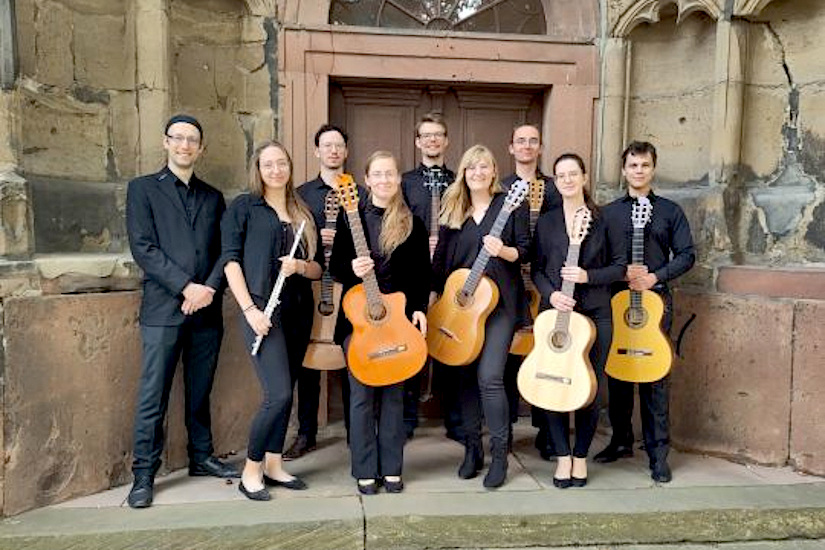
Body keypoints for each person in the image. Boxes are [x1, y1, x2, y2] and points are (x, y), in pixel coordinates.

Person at [125, 114, 236, 509]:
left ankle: (201, 457)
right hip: (162, 309)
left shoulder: (212, 196)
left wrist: (206, 288)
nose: (185, 145)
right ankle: (143, 474)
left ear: (201, 148)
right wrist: (185, 286)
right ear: (166, 142)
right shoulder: (142, 190)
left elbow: (225, 250)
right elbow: (144, 248)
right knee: (152, 395)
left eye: (192, 140)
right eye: (178, 138)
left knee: (200, 389)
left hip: (205, 309)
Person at [221, 141, 323, 500]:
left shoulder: (303, 211)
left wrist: (299, 266)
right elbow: (230, 262)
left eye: (282, 163)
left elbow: (317, 269)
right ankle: (252, 470)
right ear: (258, 169)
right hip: (262, 311)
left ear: (290, 167)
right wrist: (249, 310)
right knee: (276, 394)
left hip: (298, 311)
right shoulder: (245, 208)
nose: (276, 170)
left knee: (288, 391)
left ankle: (275, 464)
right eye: (269, 164)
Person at [329, 151, 431, 494]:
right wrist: (351, 269)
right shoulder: (350, 217)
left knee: (394, 397)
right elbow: (335, 268)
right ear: (367, 180)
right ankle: (364, 469)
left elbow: (423, 274)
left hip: (397, 320)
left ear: (398, 179)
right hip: (359, 322)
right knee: (360, 398)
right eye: (378, 174)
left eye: (391, 173)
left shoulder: (412, 223)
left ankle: (391, 468)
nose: (385, 180)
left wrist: (418, 308)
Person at [595, 141, 695, 483]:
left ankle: (657, 453)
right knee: (619, 374)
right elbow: (598, 258)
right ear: (623, 170)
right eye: (633, 165)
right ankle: (620, 440)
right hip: (618, 301)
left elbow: (686, 255)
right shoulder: (607, 213)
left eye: (644, 165)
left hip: (655, 303)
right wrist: (621, 274)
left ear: (653, 169)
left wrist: (655, 276)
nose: (638, 171)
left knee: (655, 378)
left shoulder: (670, 211)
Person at [432, 144, 530, 489]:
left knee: (489, 377)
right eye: (471, 167)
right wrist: (434, 302)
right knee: (464, 378)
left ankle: (500, 454)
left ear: (493, 171)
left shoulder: (510, 204)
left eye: (484, 167)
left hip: (500, 306)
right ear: (463, 172)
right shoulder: (453, 206)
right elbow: (441, 260)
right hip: (460, 308)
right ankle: (472, 448)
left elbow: (525, 250)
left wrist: (502, 250)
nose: (477, 173)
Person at [531, 153, 626, 488]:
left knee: (588, 386)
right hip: (557, 314)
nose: (568, 180)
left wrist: (587, 276)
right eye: (561, 175)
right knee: (554, 383)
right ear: (555, 181)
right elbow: (537, 269)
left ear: (584, 177)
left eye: (574, 174)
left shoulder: (606, 219)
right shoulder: (547, 221)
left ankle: (581, 456)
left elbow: (620, 267)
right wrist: (550, 294)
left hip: (596, 313)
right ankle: (562, 456)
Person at [285, 124, 353, 460]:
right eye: (327, 145)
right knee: (308, 362)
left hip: (348, 286)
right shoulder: (300, 194)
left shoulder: (359, 193)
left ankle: (357, 431)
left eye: (339, 145)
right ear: (317, 152)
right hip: (309, 288)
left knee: (352, 357)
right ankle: (306, 433)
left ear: (346, 152)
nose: (333, 151)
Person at [500, 123, 562, 458]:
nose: (526, 146)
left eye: (533, 141)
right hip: (512, 282)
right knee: (509, 357)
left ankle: (548, 433)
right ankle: (504, 429)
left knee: (547, 355)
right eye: (520, 141)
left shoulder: (554, 189)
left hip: (546, 283)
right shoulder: (501, 187)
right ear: (510, 148)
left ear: (540, 147)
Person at [400, 112, 458, 441]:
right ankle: (407, 417)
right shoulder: (405, 181)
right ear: (418, 141)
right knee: (409, 341)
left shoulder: (459, 179)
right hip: (414, 275)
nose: (433, 140)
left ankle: (454, 417)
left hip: (452, 273)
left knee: (453, 341)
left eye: (438, 135)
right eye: (427, 135)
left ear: (446, 141)